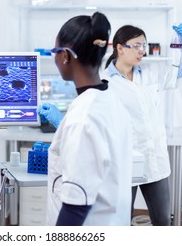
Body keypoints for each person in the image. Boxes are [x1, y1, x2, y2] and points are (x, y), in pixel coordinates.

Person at [38, 12, 134, 226]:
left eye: (55, 52)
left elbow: (75, 208)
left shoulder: (83, 118)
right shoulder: (111, 101)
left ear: (65, 56)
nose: (54, 58)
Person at [103, 23, 182, 226]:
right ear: (119, 48)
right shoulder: (105, 82)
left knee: (162, 220)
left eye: (143, 45)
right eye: (136, 46)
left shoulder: (151, 73)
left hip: (155, 161)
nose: (142, 51)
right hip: (125, 163)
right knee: (122, 220)